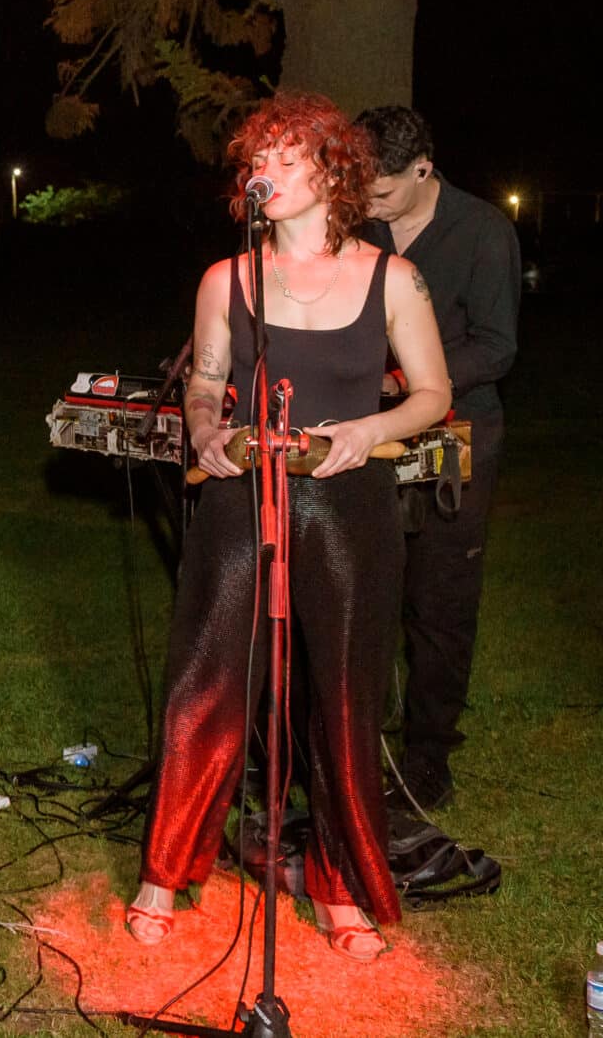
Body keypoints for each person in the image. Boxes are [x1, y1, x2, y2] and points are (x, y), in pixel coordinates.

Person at [126, 94, 450, 961]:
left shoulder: (392, 278)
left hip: (347, 504)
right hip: (243, 496)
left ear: (332, 172)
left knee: (342, 696)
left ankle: (342, 887)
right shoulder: (225, 278)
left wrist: (370, 430)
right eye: (257, 155)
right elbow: (207, 380)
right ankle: (164, 871)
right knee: (207, 677)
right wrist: (204, 428)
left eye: (286, 153)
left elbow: (433, 393)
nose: (264, 168)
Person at [357, 105, 521, 813]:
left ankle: (428, 757)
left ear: (423, 168)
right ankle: (353, 743)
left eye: (383, 190)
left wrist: (410, 379)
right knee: (365, 587)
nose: (369, 204)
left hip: (459, 434)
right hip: (371, 430)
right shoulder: (360, 227)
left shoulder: (483, 230)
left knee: (441, 600)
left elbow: (497, 346)